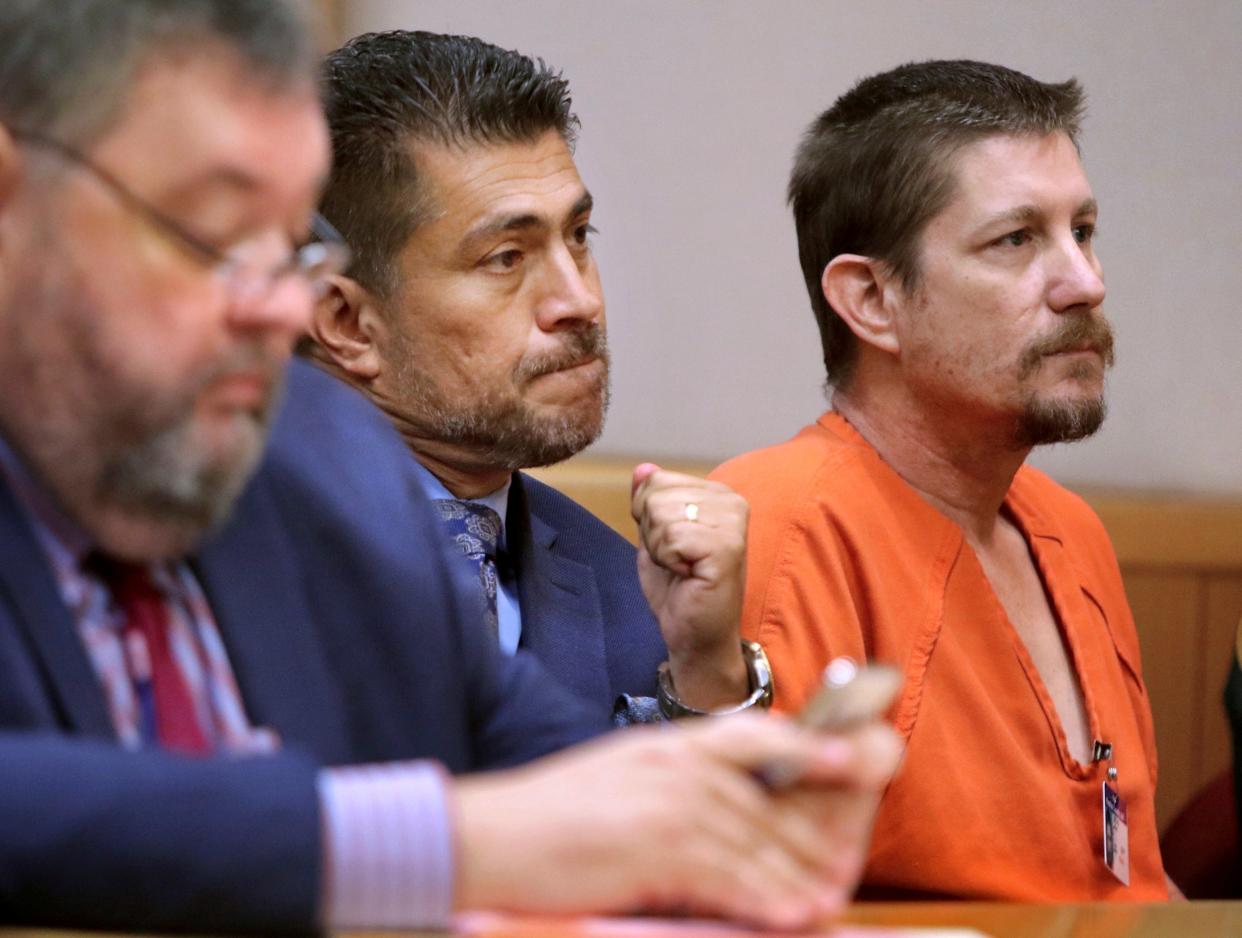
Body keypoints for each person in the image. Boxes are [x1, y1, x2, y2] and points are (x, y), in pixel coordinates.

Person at [0, 1, 901, 932]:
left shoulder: (321, 452)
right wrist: (445, 844)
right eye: (217, 237)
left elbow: (532, 761)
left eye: (289, 252)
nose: (278, 310)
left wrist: (727, 805)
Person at [712, 60, 1171, 900]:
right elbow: (743, 899)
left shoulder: (1070, 530)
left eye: (1085, 230)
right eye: (1017, 240)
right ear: (873, 300)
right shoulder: (782, 525)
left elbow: (1139, 885)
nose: (1086, 283)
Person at [304, 30, 756, 720]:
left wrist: (706, 676)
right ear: (345, 323)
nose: (580, 302)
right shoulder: (209, 558)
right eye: (506, 258)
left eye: (579, 236)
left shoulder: (637, 593)